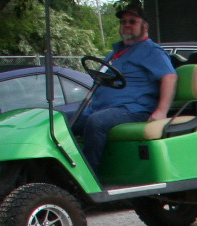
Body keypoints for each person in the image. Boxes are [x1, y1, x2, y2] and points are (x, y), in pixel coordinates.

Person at [74, 4, 175, 178]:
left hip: (133, 109)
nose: (126, 24)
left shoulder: (151, 51)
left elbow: (169, 77)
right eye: (123, 22)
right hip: (103, 107)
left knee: (96, 122)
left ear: (145, 26)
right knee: (60, 121)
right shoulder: (115, 52)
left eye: (132, 21)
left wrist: (161, 110)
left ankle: (87, 178)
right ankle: (60, 175)